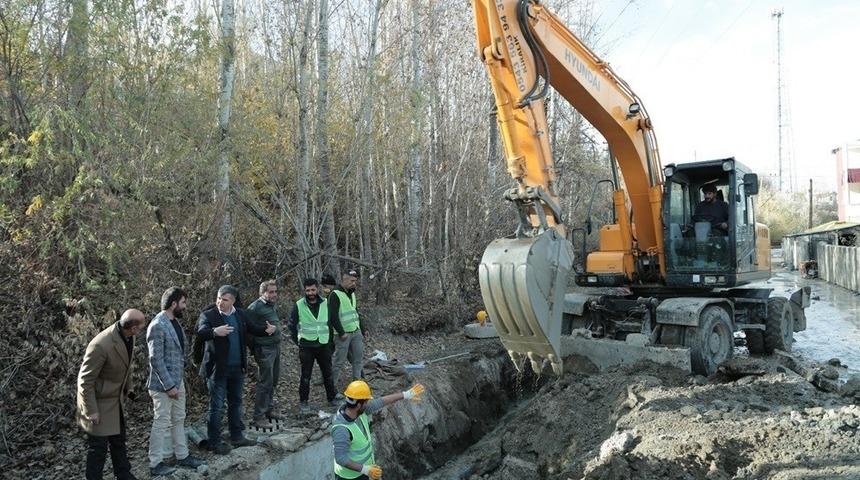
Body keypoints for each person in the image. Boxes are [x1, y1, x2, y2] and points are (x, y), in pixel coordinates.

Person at [196, 285, 276, 454]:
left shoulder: (239, 314)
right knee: (217, 407)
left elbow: (252, 328)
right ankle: (214, 442)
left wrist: (267, 330)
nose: (220, 302)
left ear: (232, 300)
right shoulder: (208, 315)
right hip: (217, 370)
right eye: (218, 298)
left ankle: (237, 436)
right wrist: (215, 332)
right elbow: (201, 333)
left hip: (237, 368)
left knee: (236, 403)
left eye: (224, 299)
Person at [77, 309, 146, 480]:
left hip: (115, 400)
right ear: (134, 328)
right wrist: (91, 410)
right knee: (98, 448)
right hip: (98, 402)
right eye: (142, 325)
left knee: (119, 440)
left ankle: (123, 474)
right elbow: (85, 380)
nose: (143, 328)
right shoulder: (101, 345)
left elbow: (126, 366)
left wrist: (129, 391)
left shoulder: (129, 336)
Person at [146, 287, 204, 476]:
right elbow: (156, 359)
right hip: (163, 386)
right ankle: (155, 464)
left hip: (178, 382)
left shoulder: (175, 324)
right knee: (161, 422)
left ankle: (182, 455)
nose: (185, 306)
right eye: (183, 302)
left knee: (179, 419)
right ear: (174, 303)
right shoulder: (157, 325)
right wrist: (169, 386)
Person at [331, 380, 426, 480]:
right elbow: (341, 459)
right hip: (351, 477)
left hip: (364, 471)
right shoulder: (341, 429)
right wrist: (366, 470)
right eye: (366, 401)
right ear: (359, 404)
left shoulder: (359, 411)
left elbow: (381, 401)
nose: (368, 403)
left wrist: (406, 394)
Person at [288, 278, 338, 413]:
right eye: (308, 290)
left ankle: (331, 398)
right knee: (306, 376)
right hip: (306, 346)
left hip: (323, 344)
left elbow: (331, 323)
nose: (310, 293)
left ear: (317, 289)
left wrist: (330, 342)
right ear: (304, 290)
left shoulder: (326, 303)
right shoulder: (299, 305)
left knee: (328, 373)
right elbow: (292, 326)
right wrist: (298, 341)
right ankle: (303, 401)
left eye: (313, 290)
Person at [247, 280, 283, 428]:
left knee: (273, 380)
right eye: (270, 292)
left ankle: (269, 410)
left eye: (275, 291)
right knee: (265, 382)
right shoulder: (255, 308)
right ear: (262, 293)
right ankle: (258, 416)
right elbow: (248, 329)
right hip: (264, 349)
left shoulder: (270, 305)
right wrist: (255, 348)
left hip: (275, 346)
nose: (274, 294)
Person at [329, 270, 367, 388]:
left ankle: (358, 385)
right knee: (339, 362)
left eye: (355, 281)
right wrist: (341, 332)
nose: (354, 283)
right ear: (344, 279)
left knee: (358, 360)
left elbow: (355, 312)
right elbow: (332, 316)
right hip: (343, 335)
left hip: (356, 332)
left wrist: (363, 328)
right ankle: (332, 388)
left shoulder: (352, 293)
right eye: (351, 281)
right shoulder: (335, 294)